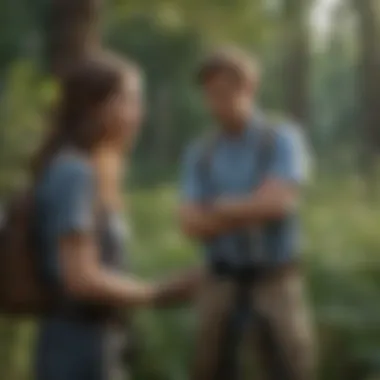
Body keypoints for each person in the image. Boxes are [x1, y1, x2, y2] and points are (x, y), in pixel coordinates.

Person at [179, 46, 316, 380]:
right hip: (221, 278)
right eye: (210, 94)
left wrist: (219, 207)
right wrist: (250, 207)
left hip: (275, 278)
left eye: (225, 92)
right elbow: (189, 222)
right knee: (211, 366)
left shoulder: (281, 138)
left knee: (289, 365)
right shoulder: (201, 153)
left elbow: (278, 203)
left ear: (249, 87)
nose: (217, 103)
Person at [32, 53, 154, 380]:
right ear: (95, 106)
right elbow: (80, 277)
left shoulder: (85, 170)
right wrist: (158, 292)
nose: (138, 114)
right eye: (129, 100)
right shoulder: (75, 172)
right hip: (76, 346)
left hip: (92, 341)